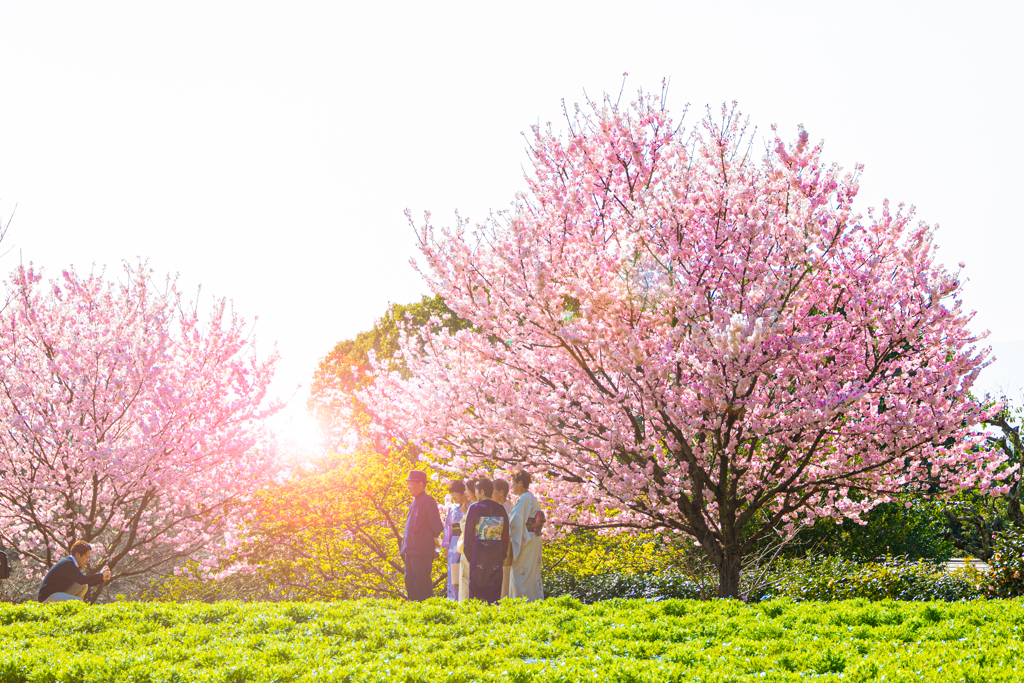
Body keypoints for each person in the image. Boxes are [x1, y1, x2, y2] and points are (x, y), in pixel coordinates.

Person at [462, 478, 510, 604]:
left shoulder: (474, 508)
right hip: (495, 556)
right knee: (493, 592)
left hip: (478, 555)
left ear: (482, 491)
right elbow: (505, 535)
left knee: (477, 594)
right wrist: (502, 554)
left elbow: (468, 535)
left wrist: (469, 554)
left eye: (476, 491)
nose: (475, 494)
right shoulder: (500, 508)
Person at [401, 470, 444, 601]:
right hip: (411, 549)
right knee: (410, 582)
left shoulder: (428, 501)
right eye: (408, 484)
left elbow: (436, 526)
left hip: (421, 550)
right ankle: (414, 613)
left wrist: (430, 538)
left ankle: (426, 614)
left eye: (411, 484)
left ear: (420, 485)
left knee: (421, 584)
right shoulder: (414, 502)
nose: (408, 487)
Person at [508, 469, 544, 601]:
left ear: (520, 483)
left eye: (513, 482)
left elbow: (515, 523)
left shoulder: (523, 499)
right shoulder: (531, 498)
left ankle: (523, 602)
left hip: (526, 540)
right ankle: (534, 600)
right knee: (532, 573)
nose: (512, 486)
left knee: (522, 573)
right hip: (533, 538)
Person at [37, 541, 110, 603]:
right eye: (86, 557)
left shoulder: (72, 563)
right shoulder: (68, 563)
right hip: (47, 597)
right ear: (77, 555)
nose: (87, 560)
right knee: (78, 602)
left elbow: (84, 582)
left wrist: (102, 578)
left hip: (57, 593)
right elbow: (81, 579)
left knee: (84, 586)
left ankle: (70, 612)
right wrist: (100, 575)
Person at [442, 480, 468, 600]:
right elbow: (447, 528)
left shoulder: (471, 506)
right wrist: (446, 548)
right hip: (454, 544)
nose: (454, 497)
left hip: (466, 541)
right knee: (454, 574)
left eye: (456, 493)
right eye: (452, 494)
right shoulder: (452, 508)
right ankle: (453, 600)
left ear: (464, 493)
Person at [456, 478, 478, 602]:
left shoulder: (473, 507)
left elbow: (467, 530)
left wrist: (464, 514)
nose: (466, 493)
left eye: (467, 490)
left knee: (466, 579)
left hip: (470, 548)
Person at [493, 479, 514, 599]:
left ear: (501, 493)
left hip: (506, 547)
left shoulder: (511, 509)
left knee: (505, 579)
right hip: (494, 549)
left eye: (493, 491)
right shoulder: (493, 507)